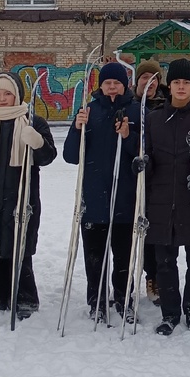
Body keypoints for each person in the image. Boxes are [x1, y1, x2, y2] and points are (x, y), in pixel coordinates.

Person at [139, 59, 190, 334]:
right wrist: (142, 165)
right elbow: (148, 155)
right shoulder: (154, 119)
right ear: (170, 86)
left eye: (186, 83)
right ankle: (170, 313)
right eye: (177, 82)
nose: (181, 87)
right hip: (161, 200)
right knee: (164, 262)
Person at [0, 72, 57, 318]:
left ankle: (25, 295)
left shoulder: (33, 122)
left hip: (21, 194)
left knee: (20, 245)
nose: (3, 99)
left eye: (8, 94)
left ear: (17, 95)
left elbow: (48, 158)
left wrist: (38, 143)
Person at [62, 61, 138, 322]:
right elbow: (71, 156)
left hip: (125, 197)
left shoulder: (137, 111)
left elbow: (143, 154)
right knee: (95, 258)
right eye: (108, 83)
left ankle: (123, 299)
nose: (112, 87)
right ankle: (96, 301)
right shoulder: (89, 111)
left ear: (124, 85)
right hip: (94, 197)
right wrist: (77, 128)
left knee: (123, 257)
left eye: (117, 82)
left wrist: (129, 135)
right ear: (101, 85)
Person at [133, 58, 167, 303]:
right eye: (145, 78)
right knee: (139, 231)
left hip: (161, 176)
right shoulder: (130, 104)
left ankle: (157, 276)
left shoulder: (167, 106)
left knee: (157, 230)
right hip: (132, 177)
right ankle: (146, 274)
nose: (149, 83)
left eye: (154, 79)